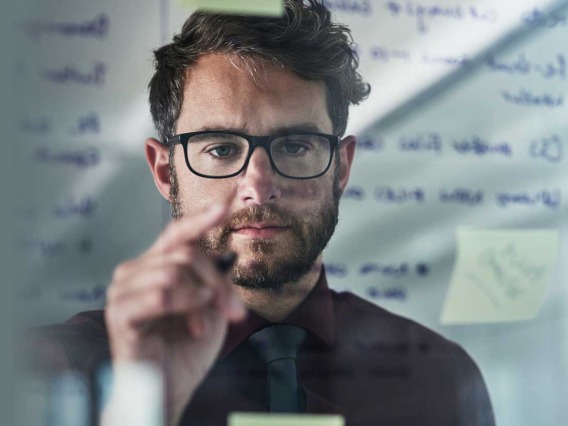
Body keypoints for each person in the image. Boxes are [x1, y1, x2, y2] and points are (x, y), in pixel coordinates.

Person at [23, 1, 495, 425]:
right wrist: (143, 405)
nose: (258, 187)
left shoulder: (439, 380)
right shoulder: (54, 369)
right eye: (222, 148)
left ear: (342, 167)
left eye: (295, 145)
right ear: (166, 172)